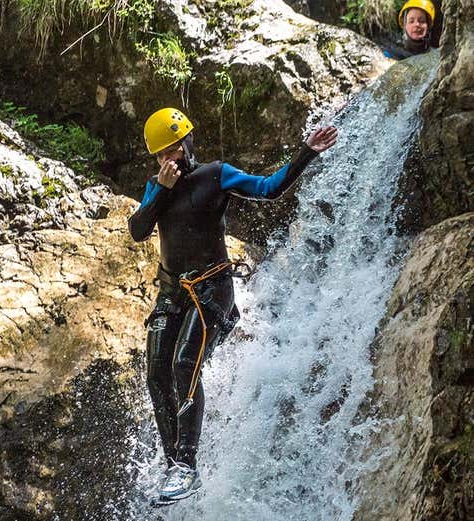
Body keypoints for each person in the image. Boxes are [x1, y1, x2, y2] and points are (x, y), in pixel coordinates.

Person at [128, 108, 337, 505]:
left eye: (172, 150)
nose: (167, 160)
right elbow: (139, 230)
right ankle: (175, 466)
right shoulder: (155, 186)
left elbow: (269, 188)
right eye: (159, 156)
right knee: (157, 374)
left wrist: (305, 152)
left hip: (212, 291)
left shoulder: (216, 174)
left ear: (188, 142)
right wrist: (160, 188)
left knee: (183, 365)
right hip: (172, 294)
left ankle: (186, 465)